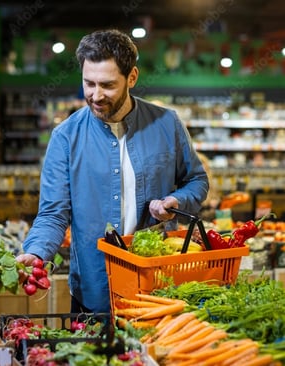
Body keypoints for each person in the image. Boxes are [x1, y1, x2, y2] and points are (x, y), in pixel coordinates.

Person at [16, 29, 209, 314]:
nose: (96, 95)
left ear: (132, 78)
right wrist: (36, 252)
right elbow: (53, 213)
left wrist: (176, 202)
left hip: (159, 290)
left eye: (107, 85)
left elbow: (196, 180)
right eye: (89, 83)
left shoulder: (167, 124)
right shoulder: (65, 137)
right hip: (94, 292)